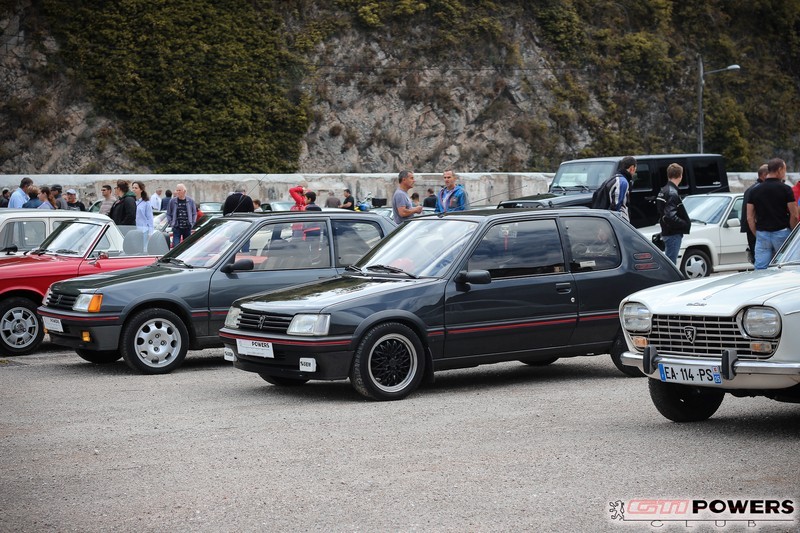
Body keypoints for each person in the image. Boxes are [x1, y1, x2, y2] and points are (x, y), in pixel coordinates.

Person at [747, 158, 799, 269]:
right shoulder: (786, 189)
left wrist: (757, 233)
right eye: (785, 170)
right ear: (779, 170)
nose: (785, 173)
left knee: (760, 268)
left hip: (762, 233)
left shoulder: (754, 190)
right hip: (782, 232)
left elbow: (749, 217)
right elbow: (794, 214)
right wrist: (793, 234)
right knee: (787, 266)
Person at [656, 163, 691, 265]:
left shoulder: (663, 190)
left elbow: (662, 213)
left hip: (667, 231)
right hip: (673, 233)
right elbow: (670, 216)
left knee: (669, 262)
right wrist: (684, 223)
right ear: (680, 176)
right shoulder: (672, 192)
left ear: (668, 175)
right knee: (671, 264)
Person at [741, 164, 767, 264]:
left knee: (757, 260)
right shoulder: (759, 189)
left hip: (751, 229)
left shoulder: (750, 189)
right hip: (757, 229)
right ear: (764, 175)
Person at [595, 156, 635, 221]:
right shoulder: (622, 181)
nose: (634, 173)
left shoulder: (613, 178)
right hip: (619, 220)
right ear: (632, 168)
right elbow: (616, 206)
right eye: (635, 170)